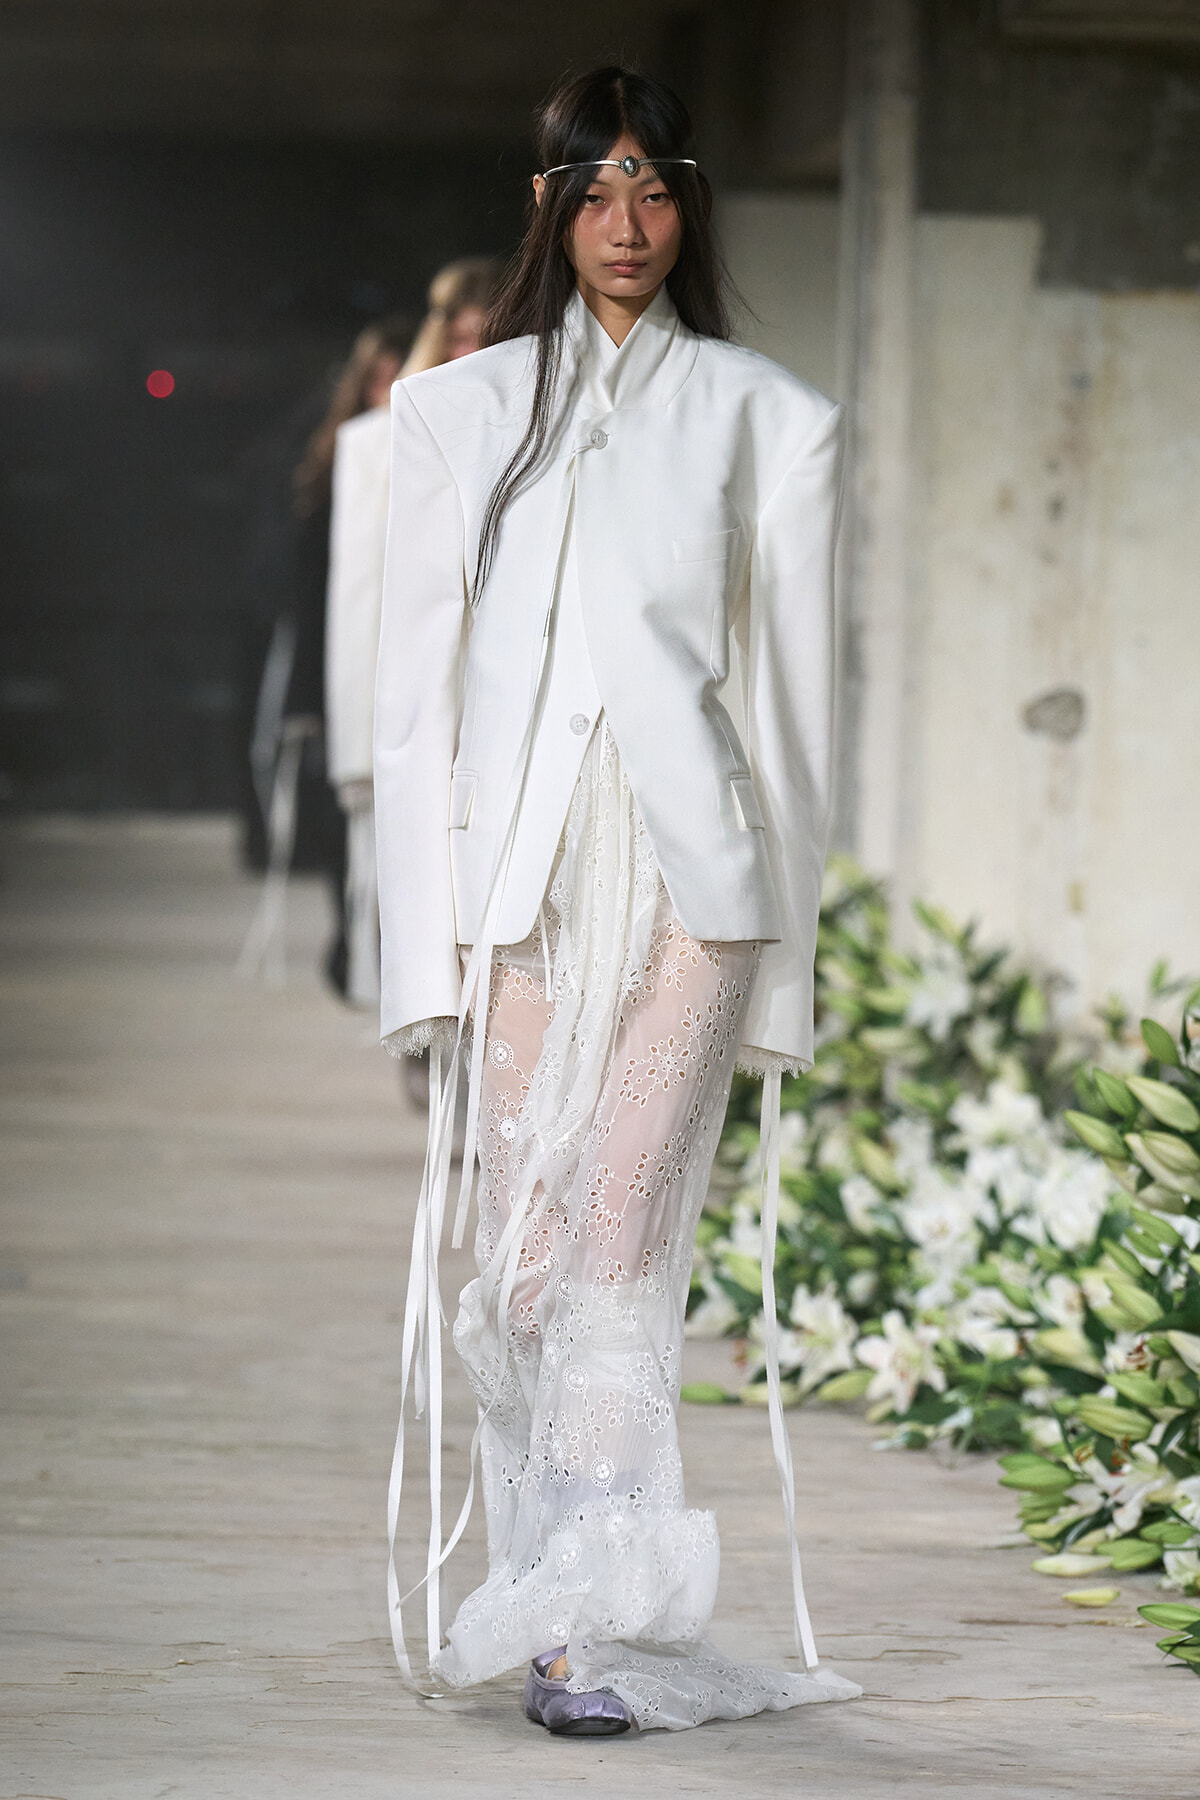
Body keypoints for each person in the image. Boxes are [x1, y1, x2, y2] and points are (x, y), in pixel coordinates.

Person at [374, 67, 860, 1735]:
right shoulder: (452, 417)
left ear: (694, 202)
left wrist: (785, 972)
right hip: (518, 882)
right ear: (546, 209)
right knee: (521, 1263)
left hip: (686, 883)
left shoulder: (770, 420)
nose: (629, 227)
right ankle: (564, 1577)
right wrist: (413, 961)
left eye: (656, 191)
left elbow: (797, 720)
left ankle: (583, 1632)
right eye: (597, 193)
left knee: (616, 1246)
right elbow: (413, 711)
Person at [325, 263, 500, 1010]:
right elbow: (358, 595)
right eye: (457, 334)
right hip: (416, 699)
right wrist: (354, 744)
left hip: (504, 699)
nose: (470, 350)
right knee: (413, 887)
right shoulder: (380, 441)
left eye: (486, 335)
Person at [241, 316, 413, 992]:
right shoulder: (338, 460)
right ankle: (354, 945)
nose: (390, 388)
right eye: (378, 377)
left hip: (397, 662)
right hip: (344, 665)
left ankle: (377, 956)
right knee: (348, 813)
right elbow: (312, 589)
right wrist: (308, 695)